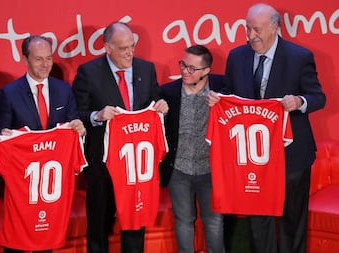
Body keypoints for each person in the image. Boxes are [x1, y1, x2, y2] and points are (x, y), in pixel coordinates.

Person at [207, 3, 326, 253]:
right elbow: (231, 92)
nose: (251, 35)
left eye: (256, 29)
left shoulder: (299, 57)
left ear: (275, 27)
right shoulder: (237, 56)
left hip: (292, 155)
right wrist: (219, 98)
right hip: (255, 157)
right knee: (258, 219)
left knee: (291, 220)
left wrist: (299, 102)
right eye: (247, 28)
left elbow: (318, 96)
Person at [72, 22, 168, 253]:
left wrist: (161, 106)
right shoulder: (89, 72)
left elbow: (153, 104)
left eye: (132, 46)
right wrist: (97, 115)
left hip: (136, 166)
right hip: (102, 164)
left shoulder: (146, 69)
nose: (130, 53)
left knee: (135, 224)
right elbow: (76, 114)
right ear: (107, 47)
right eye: (123, 48)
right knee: (99, 224)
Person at [0, 35, 85, 253]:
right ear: (25, 60)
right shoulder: (9, 94)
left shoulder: (64, 90)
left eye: (49, 58)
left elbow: (73, 124)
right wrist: (5, 136)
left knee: (46, 240)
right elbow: (0, 136)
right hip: (22, 185)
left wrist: (78, 128)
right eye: (38, 59)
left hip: (52, 186)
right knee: (17, 240)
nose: (45, 65)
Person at [159, 45, 225, 253]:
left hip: (211, 170)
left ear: (206, 70)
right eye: (183, 65)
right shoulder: (167, 92)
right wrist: (161, 111)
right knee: (183, 221)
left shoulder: (223, 89)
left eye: (191, 68)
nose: (185, 71)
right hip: (179, 170)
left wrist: (223, 103)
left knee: (214, 222)